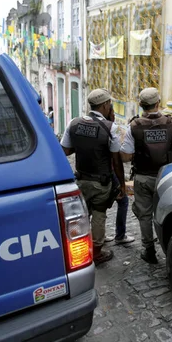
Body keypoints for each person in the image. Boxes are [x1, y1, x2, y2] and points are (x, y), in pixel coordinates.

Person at [120, 88, 172, 264]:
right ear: (158, 103)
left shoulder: (134, 126)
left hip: (143, 177)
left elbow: (125, 156)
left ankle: (149, 250)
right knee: (169, 212)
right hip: (166, 177)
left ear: (141, 105)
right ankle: (171, 249)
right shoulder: (171, 124)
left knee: (144, 215)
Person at [60, 89, 125, 265]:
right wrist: (122, 185)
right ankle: (96, 252)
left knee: (81, 215)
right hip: (100, 182)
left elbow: (65, 150)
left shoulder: (73, 123)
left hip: (80, 179)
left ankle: (77, 250)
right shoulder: (110, 127)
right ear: (105, 105)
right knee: (99, 214)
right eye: (109, 104)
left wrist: (82, 148)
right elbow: (117, 161)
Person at [105, 107, 135, 245]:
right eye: (113, 113)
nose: (114, 116)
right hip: (111, 172)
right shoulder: (113, 129)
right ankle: (120, 235)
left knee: (99, 205)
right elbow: (117, 159)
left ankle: (99, 235)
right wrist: (122, 184)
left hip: (97, 173)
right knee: (123, 201)